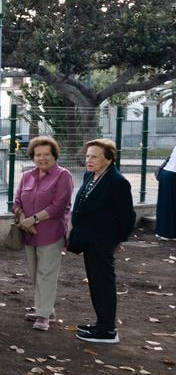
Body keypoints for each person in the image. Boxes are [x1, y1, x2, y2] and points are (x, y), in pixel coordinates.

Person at [70, 139, 136, 344]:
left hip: (103, 239)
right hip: (89, 239)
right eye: (88, 155)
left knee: (103, 283)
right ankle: (101, 323)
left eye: (95, 156)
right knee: (95, 282)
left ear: (108, 159)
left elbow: (127, 216)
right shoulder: (91, 176)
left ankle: (107, 330)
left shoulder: (118, 182)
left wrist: (118, 239)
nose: (89, 160)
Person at [13, 136, 74, 332]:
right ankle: (44, 308)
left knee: (46, 274)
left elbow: (59, 204)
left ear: (55, 155)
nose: (42, 158)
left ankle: (43, 315)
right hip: (28, 232)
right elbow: (16, 201)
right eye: (38, 155)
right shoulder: (27, 176)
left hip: (51, 233)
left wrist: (34, 219)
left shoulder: (63, 175)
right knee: (34, 273)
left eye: (46, 154)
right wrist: (23, 218)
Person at [155, 144, 176, 239]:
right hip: (172, 175)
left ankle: (161, 232)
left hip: (166, 173)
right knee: (170, 205)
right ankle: (167, 233)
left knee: (165, 204)